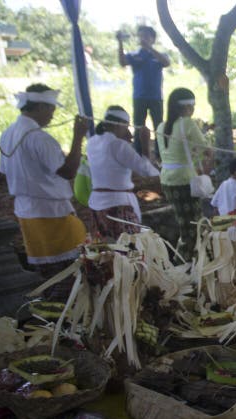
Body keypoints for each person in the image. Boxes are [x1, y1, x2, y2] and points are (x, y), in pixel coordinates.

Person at [0, 84, 89, 300]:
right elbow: (68, 171)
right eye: (50, 109)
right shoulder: (39, 138)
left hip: (27, 211)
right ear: (39, 106)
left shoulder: (8, 133)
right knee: (70, 276)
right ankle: (63, 322)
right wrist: (78, 138)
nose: (52, 115)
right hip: (51, 212)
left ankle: (51, 320)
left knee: (48, 276)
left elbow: (4, 171)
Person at [87, 106, 159, 240]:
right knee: (129, 249)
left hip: (96, 203)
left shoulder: (91, 142)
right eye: (126, 126)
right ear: (120, 125)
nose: (128, 131)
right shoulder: (118, 145)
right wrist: (145, 144)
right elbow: (147, 170)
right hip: (118, 204)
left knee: (106, 249)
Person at [156, 88, 210, 260]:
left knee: (184, 224)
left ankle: (189, 261)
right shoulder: (187, 123)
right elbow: (205, 148)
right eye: (192, 104)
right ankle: (185, 263)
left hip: (167, 180)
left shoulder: (161, 126)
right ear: (186, 106)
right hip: (185, 180)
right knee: (195, 226)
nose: (193, 109)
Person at [118, 26, 170, 155]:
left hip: (156, 97)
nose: (143, 39)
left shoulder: (158, 55)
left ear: (153, 39)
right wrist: (120, 42)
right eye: (141, 36)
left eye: (146, 36)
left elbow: (166, 62)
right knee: (138, 126)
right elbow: (122, 62)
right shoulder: (134, 55)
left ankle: (160, 154)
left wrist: (150, 48)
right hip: (139, 97)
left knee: (159, 126)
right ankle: (139, 153)